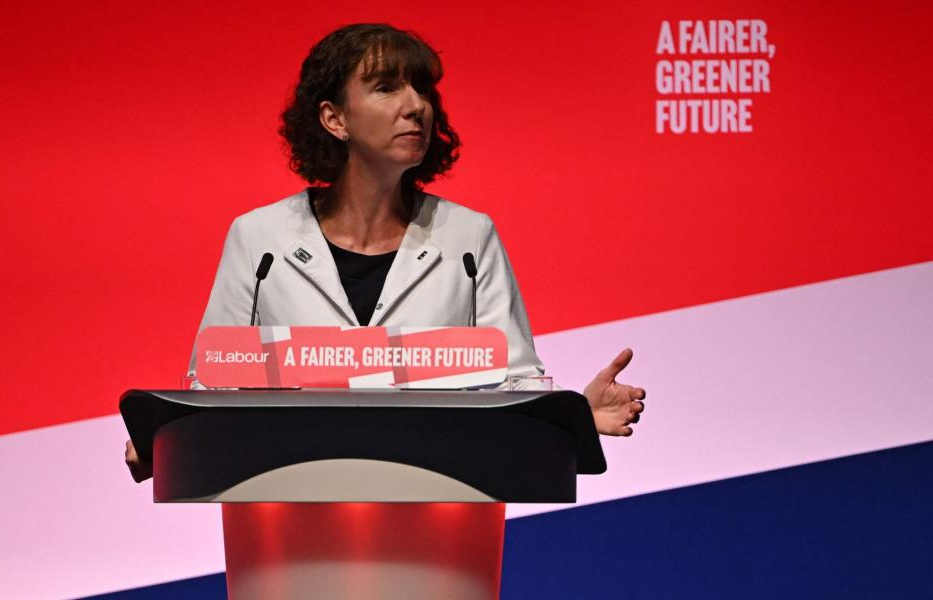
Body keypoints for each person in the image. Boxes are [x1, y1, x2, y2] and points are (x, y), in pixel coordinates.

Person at [126, 23, 645, 483]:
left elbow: (512, 385)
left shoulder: (468, 236)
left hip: (439, 506)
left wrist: (575, 415)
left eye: (423, 88)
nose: (416, 104)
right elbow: (212, 383)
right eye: (386, 88)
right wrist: (167, 444)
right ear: (334, 118)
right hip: (289, 510)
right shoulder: (259, 238)